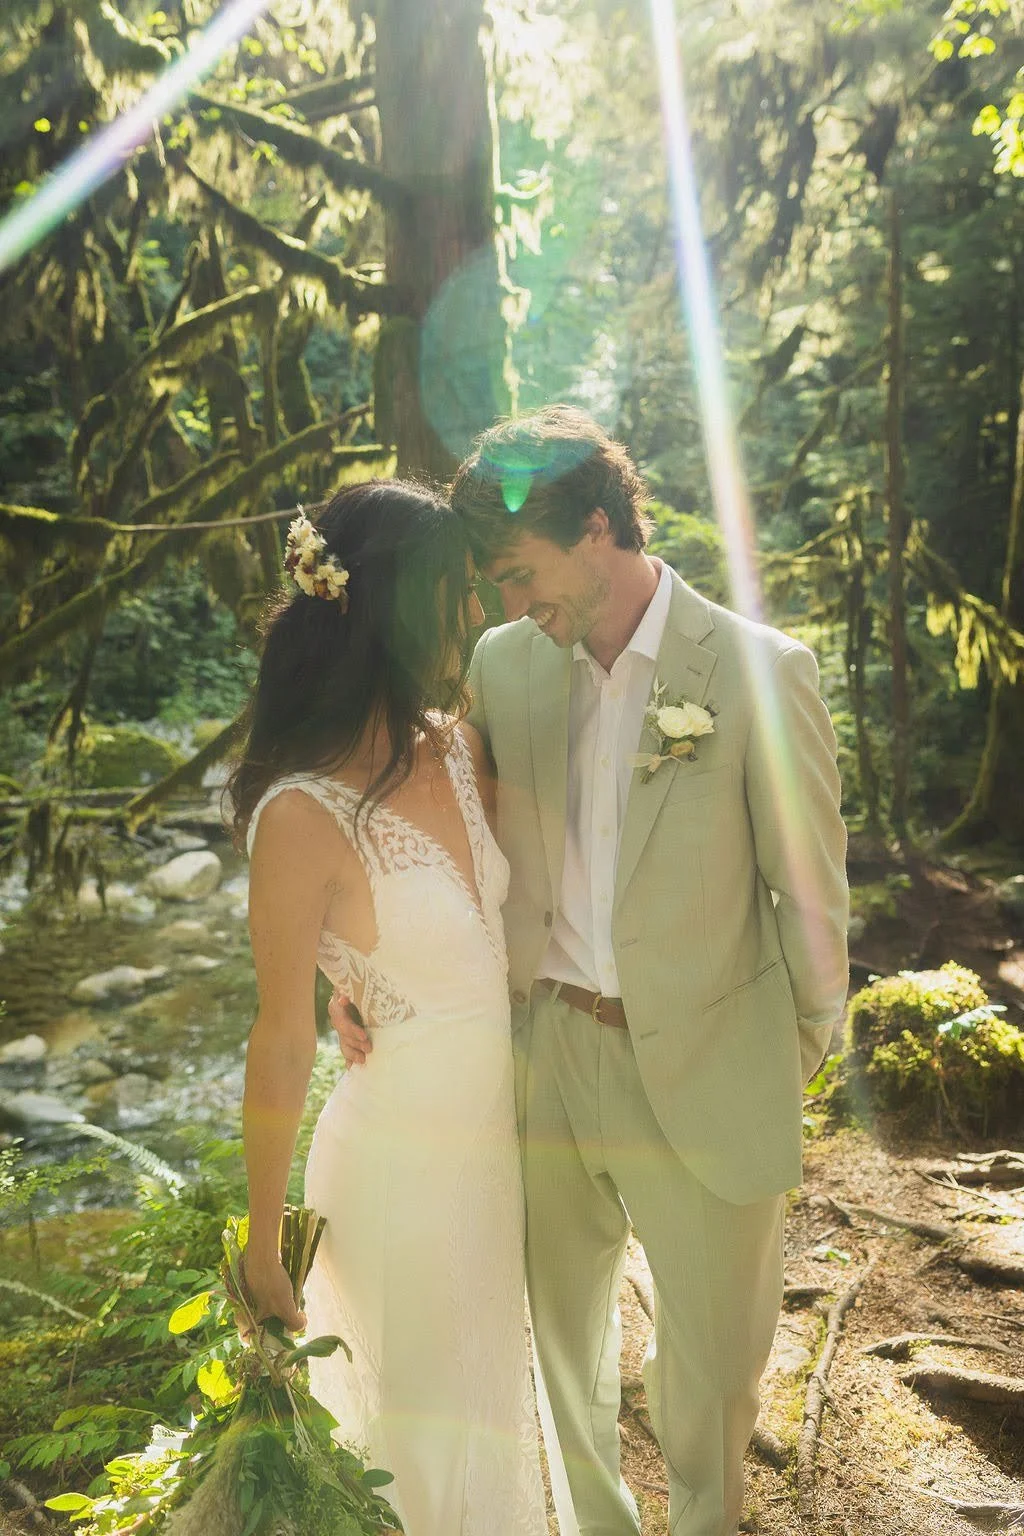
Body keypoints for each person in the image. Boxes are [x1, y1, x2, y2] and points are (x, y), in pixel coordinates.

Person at [334, 408, 850, 1536]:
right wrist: (362, 967)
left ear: (602, 527)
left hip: (714, 1059)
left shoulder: (762, 672)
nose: (512, 605)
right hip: (548, 1058)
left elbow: (810, 898)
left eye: (521, 574)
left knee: (710, 1380)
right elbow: (455, 836)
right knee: (563, 1357)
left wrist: (784, 1054)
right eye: (494, 586)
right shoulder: (504, 667)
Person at [229, 478, 547, 1536]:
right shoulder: (296, 813)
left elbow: (496, 929)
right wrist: (265, 1241)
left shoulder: (460, 745)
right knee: (416, 1454)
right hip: (393, 1178)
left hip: (496, 1157)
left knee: (494, 1425)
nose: (473, 615)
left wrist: (358, 986)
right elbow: (275, 1041)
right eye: (455, 592)